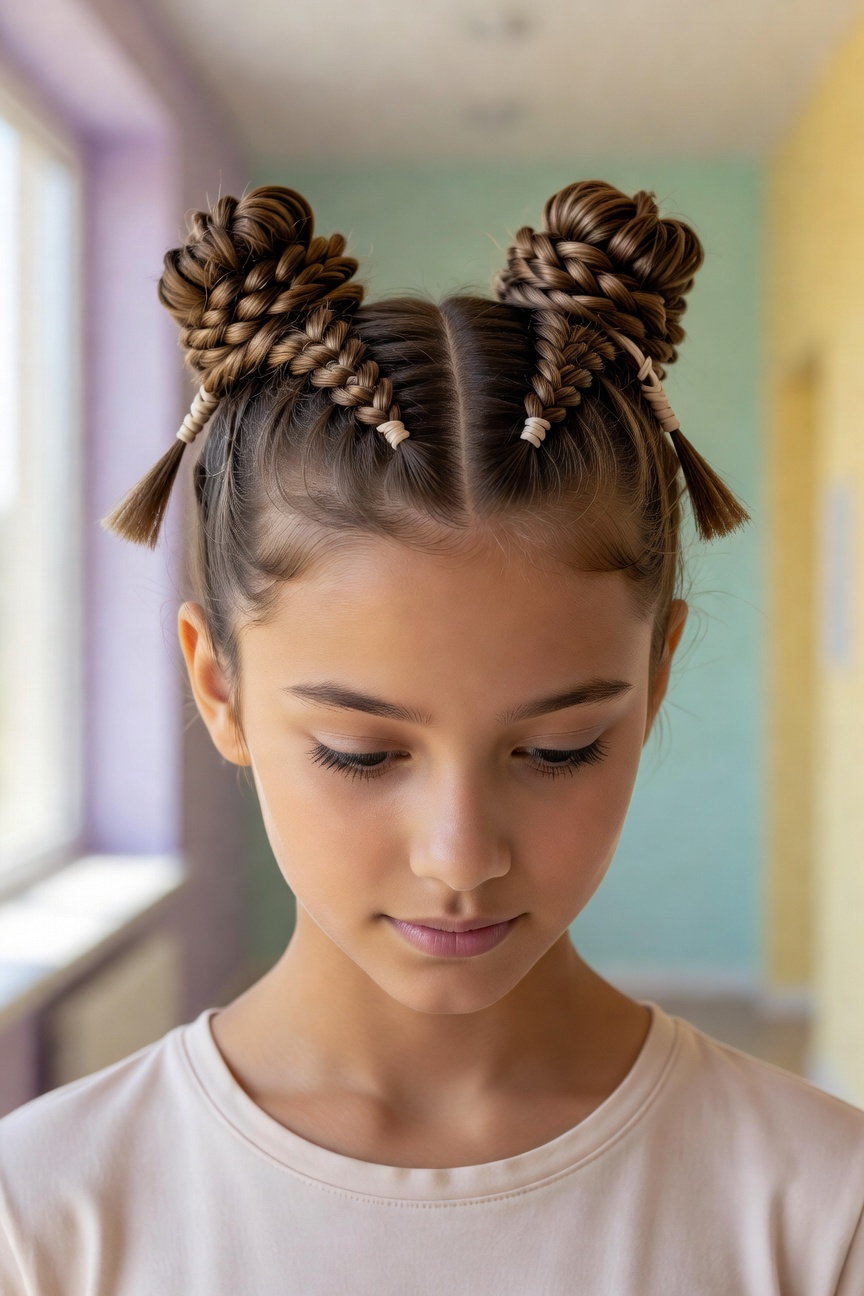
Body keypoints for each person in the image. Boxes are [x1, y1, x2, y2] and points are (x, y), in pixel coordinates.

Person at [1, 179, 862, 1295]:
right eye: (362, 754)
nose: (461, 857)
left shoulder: (821, 1211)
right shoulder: (42, 1219)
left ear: (655, 682)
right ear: (220, 689)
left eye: (558, 749)